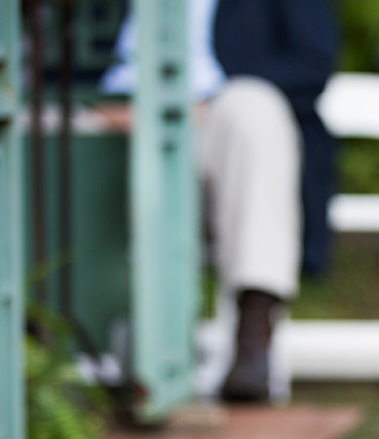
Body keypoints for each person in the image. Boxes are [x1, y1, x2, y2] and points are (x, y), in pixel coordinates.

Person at [100, 0, 337, 402]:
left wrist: (204, 100)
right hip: (115, 119)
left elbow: (312, 63)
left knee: (254, 110)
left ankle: (253, 334)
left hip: (213, 117)